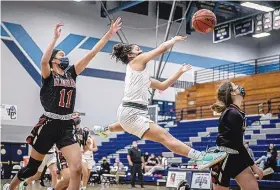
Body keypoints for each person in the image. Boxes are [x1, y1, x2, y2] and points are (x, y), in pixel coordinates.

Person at [3, 18, 122, 190]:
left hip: (66, 125)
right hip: (49, 124)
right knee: (32, 169)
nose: (65, 58)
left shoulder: (71, 74)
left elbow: (91, 54)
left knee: (77, 168)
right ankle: (11, 187)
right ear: (53, 61)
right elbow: (43, 61)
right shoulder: (48, 75)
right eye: (61, 56)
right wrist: (54, 38)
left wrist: (109, 34)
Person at [93, 37, 226, 170]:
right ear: (131, 55)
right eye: (135, 47)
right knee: (165, 136)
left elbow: (163, 86)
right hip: (131, 112)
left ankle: (104, 129)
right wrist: (174, 40)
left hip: (129, 112)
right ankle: (201, 157)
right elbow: (161, 49)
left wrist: (179, 72)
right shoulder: (136, 61)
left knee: (127, 124)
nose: (139, 47)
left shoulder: (140, 74)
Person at [210, 82, 264, 190]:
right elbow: (237, 144)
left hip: (236, 156)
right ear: (233, 93)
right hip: (223, 157)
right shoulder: (232, 113)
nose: (239, 87)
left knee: (253, 186)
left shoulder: (236, 112)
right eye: (235, 86)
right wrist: (254, 167)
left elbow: (237, 145)